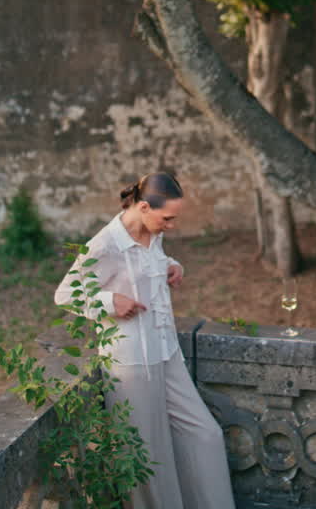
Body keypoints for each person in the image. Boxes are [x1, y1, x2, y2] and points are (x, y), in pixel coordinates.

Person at [53, 171, 235, 509]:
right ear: (143, 207)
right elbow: (64, 295)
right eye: (167, 218)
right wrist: (110, 302)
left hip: (167, 354)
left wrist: (173, 265)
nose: (172, 225)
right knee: (151, 461)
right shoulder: (105, 245)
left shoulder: (152, 232)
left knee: (206, 437)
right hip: (131, 365)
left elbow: (151, 263)